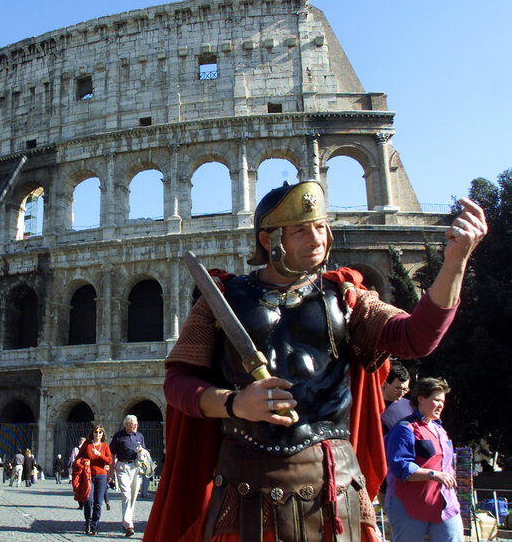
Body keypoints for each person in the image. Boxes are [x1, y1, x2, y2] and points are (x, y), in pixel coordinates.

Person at [146, 180, 486, 542]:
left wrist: (454, 263)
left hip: (334, 485)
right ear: (268, 240)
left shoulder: (347, 298)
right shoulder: (220, 299)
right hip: (245, 484)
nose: (316, 238)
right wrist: (234, 403)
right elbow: (178, 383)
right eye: (300, 231)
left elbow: (416, 337)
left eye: (321, 226)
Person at [385, 378, 462, 541]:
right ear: (420, 398)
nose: (441, 405)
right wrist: (434, 475)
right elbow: (400, 466)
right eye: (436, 400)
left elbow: (447, 463)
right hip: (409, 505)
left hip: (445, 506)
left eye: (442, 401)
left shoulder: (441, 430)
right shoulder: (404, 429)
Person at [109, 415, 146, 537]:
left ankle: (125, 523)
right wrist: (111, 471)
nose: (136, 425)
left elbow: (144, 451)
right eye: (133, 423)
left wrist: (142, 454)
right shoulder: (118, 436)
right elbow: (111, 454)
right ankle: (129, 524)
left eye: (136, 423)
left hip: (135, 468)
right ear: (126, 424)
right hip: (122, 467)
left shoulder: (139, 436)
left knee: (133, 496)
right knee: (126, 494)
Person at [79, 425, 113, 535]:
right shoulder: (87, 444)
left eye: (100, 432)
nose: (97, 434)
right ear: (92, 433)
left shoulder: (105, 446)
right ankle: (87, 522)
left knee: (98, 503)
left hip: (101, 476)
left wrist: (99, 455)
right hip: (88, 475)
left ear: (103, 434)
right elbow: (78, 458)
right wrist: (84, 461)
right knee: (88, 500)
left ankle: (95, 525)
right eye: (96, 432)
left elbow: (109, 461)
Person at [381, 361, 413, 436]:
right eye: (398, 389)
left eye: (405, 390)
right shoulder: (374, 405)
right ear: (385, 383)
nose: (401, 393)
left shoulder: (410, 405)